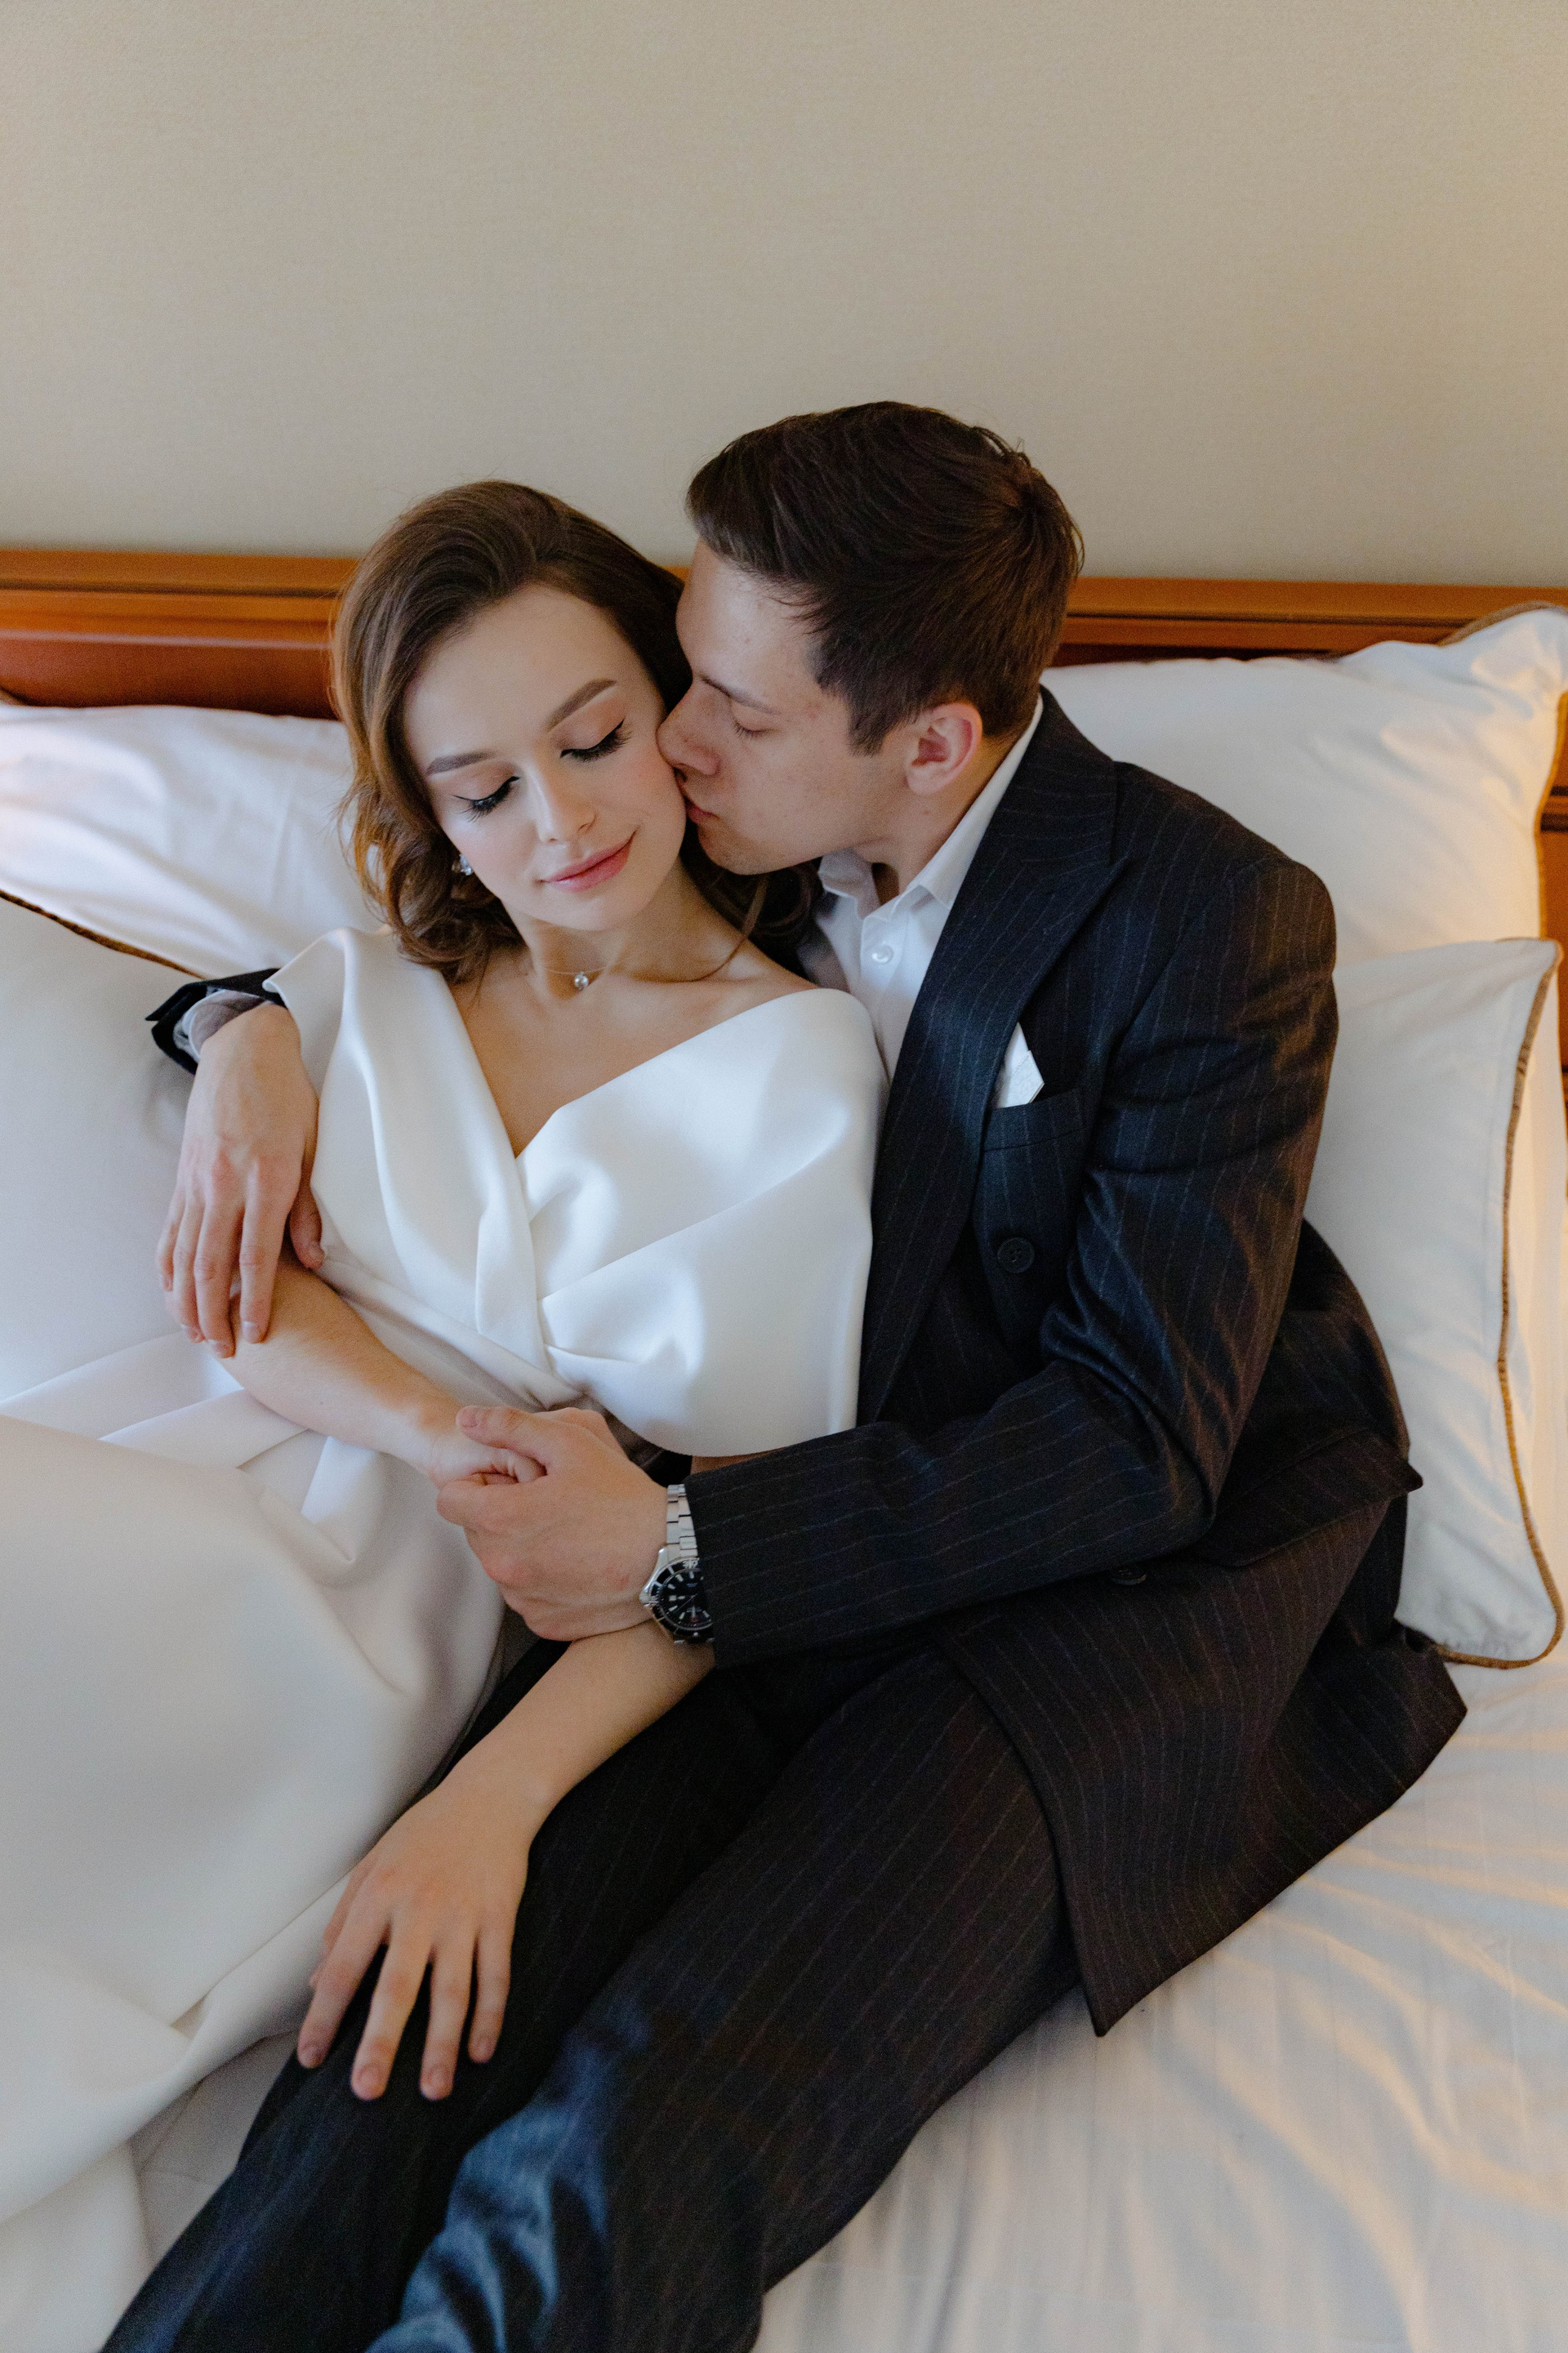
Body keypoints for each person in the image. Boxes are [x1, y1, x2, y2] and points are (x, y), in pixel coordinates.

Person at [114, 403, 1465, 2353]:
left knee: (633, 2139)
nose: (670, 744)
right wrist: (237, 1025)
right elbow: (432, 944)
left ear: (930, 744)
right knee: (380, 2082)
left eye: (728, 712)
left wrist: (678, 1546)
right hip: (786, 1558)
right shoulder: (722, 851)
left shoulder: (1208, 920)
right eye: (679, 674)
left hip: (1084, 1601)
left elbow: (1136, 1442)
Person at [0, 484, 881, 2346]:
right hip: (221, 1467)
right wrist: (252, 1043)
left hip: (411, 1615)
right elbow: (253, 1311)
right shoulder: (370, 981)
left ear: (675, 703)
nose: (558, 823)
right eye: (483, 790)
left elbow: (728, 1549)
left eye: (593, 739)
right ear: (431, 814)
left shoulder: (800, 1072)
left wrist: (490, 1806)